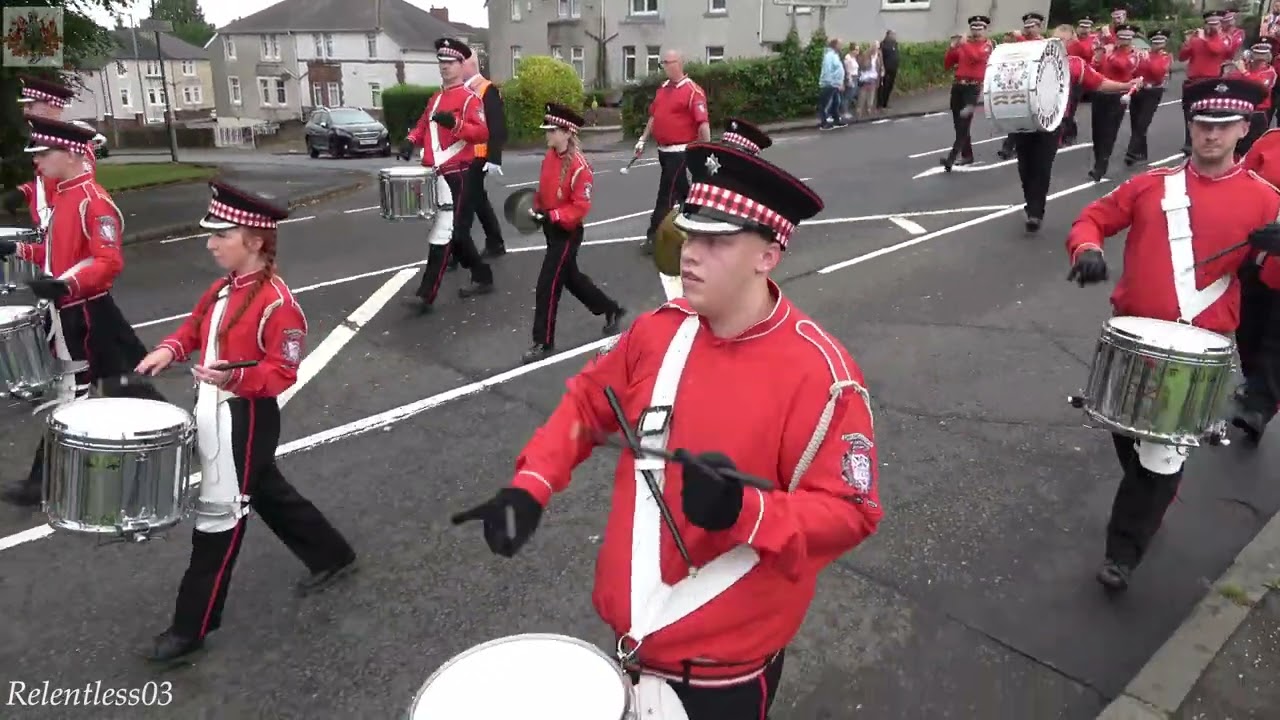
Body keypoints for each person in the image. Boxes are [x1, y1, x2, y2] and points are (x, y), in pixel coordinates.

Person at [452, 140, 882, 720]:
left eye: (716, 240)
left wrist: (747, 511)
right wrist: (533, 483)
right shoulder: (659, 332)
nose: (689, 254)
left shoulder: (823, 376)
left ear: (768, 255)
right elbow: (587, 405)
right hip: (629, 647)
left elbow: (853, 512)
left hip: (721, 679)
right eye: (689, 232)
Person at [1065, 78, 1280, 592]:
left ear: (1243, 130)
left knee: (1161, 452)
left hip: (1196, 352)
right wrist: (1087, 249)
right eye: (1202, 125)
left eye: (1222, 127)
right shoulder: (1150, 185)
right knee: (1129, 436)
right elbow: (1092, 217)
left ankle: (1123, 552)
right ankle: (1149, 501)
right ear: (1191, 126)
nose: (1210, 135)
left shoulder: (1266, 201)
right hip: (1131, 339)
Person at [135, 180, 358, 663]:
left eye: (222, 236)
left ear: (254, 241)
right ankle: (332, 553)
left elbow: (282, 371)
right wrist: (167, 349)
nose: (211, 244)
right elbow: (195, 328)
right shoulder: (220, 288)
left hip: (245, 416)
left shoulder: (279, 304)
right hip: (214, 409)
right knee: (266, 491)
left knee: (219, 518)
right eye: (211, 235)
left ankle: (191, 626)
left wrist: (233, 380)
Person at [0, 117, 163, 507]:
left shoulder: (93, 200)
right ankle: (184, 435)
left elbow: (107, 261)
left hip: (82, 311)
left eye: (43, 153)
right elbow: (58, 255)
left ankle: (42, 482)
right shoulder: (65, 198)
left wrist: (65, 286)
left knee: (71, 396)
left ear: (71, 154)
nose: (37, 162)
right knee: (125, 377)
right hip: (77, 307)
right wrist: (17, 251)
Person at [522, 104, 627, 365]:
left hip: (566, 234)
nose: (548, 134)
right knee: (572, 279)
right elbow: (544, 190)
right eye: (548, 129)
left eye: (553, 130)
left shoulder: (580, 167)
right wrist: (536, 206)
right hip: (550, 228)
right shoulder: (550, 156)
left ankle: (543, 341)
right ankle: (611, 308)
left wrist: (555, 216)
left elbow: (580, 207)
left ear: (567, 133)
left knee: (548, 284)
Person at [399, 38, 494, 312]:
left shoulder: (469, 99)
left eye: (450, 63)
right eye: (441, 62)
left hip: (460, 174)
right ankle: (481, 275)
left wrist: (455, 123)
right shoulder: (436, 98)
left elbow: (482, 133)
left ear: (462, 65)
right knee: (453, 234)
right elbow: (423, 126)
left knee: (451, 233)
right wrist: (410, 140)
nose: (444, 67)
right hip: (436, 174)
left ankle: (426, 295)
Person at [1015, 26, 1138, 233]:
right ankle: (1030, 202)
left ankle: (1036, 212)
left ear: (1070, 43)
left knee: (1042, 166)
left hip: (1053, 123)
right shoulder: (1033, 60)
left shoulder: (1074, 64)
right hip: (1026, 121)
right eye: (1055, 39)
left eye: (1063, 40)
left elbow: (1100, 83)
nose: (1058, 43)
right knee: (1025, 167)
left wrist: (1126, 85)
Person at [634, 49, 710, 256]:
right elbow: (653, 117)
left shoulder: (693, 91)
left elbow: (702, 124)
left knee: (665, 194)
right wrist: (642, 139)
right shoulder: (663, 89)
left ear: (678, 63)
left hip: (681, 151)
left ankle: (654, 236)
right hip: (663, 151)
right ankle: (699, 219)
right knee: (681, 190)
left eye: (667, 63)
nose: (664, 67)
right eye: (663, 63)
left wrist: (708, 150)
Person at [4, 75, 77, 223]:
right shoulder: (45, 140)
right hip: (48, 228)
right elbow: (46, 182)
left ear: (51, 105)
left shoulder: (74, 141)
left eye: (30, 106)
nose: (25, 112)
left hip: (67, 227)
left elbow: (76, 185)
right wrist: (24, 191)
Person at [462, 53, 507, 260]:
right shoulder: (459, 89)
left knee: (465, 201)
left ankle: (459, 248)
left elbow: (496, 124)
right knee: (477, 200)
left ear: (470, 65)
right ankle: (495, 242)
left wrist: (494, 157)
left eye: (457, 63)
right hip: (462, 156)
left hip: (478, 156)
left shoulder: (487, 89)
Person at [1089, 23, 1142, 182]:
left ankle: (1100, 166)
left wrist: (1110, 47)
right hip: (1100, 93)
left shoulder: (1134, 55)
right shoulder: (1108, 50)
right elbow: (1094, 69)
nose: (1124, 40)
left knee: (1109, 132)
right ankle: (1099, 160)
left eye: (1128, 38)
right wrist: (1097, 58)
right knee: (1097, 132)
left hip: (1117, 96)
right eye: (1121, 37)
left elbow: (1123, 66)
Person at [940, 16, 993, 172]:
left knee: (964, 122)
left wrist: (963, 45)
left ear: (985, 30)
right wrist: (952, 48)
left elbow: (976, 57)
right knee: (959, 125)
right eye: (973, 28)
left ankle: (951, 158)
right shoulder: (965, 45)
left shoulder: (987, 45)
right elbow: (948, 64)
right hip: (958, 86)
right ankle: (967, 155)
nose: (976, 31)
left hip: (973, 88)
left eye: (979, 28)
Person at [1179, 12, 1234, 155]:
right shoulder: (1198, 38)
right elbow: (1182, 56)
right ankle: (1189, 143)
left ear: (1221, 24)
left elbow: (1216, 50)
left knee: (1207, 113)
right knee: (1189, 113)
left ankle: (1204, 142)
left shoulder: (1225, 39)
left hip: (1210, 81)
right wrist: (1188, 41)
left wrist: (1202, 38)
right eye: (1210, 24)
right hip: (1193, 81)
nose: (1212, 27)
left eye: (1215, 23)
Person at [997, 12, 1046, 161]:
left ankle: (1020, 147)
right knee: (1017, 116)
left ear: (1039, 27)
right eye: (1027, 26)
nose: (1029, 29)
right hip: (1020, 83)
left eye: (1032, 26)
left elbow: (1032, 51)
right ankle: (1008, 147)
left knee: (1031, 118)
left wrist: (1019, 38)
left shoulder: (1042, 41)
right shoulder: (1020, 41)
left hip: (1035, 85)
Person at [1125, 29, 1173, 165]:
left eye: (1161, 42)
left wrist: (1147, 60)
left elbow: (1158, 74)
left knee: (1143, 122)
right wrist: (1136, 58)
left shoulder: (1165, 56)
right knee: (1135, 121)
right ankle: (1141, 152)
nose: (1158, 45)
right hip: (1138, 90)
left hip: (1153, 91)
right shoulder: (1143, 54)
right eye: (1156, 42)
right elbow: (1133, 70)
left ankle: (1131, 152)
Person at [1238, 44, 1277, 155]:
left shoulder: (1270, 72)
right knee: (1239, 146)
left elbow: (1258, 86)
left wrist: (1244, 72)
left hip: (1258, 113)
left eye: (1263, 56)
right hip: (1243, 111)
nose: (1260, 59)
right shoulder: (1248, 68)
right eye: (1257, 55)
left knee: (1255, 146)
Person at [876, 30, 898, 110]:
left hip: (893, 69)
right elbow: (880, 57)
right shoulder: (883, 44)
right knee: (883, 86)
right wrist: (882, 67)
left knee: (890, 86)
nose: (894, 36)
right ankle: (880, 104)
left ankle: (885, 103)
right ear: (888, 35)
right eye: (893, 34)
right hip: (886, 69)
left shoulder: (895, 44)